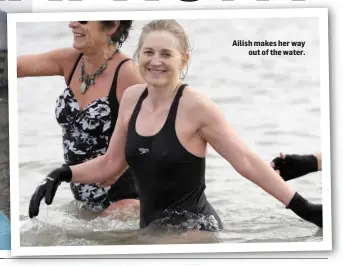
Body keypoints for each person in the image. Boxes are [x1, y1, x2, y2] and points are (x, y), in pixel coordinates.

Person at [28, 19, 322, 231]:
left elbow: (246, 162)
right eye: (149, 52)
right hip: (152, 228)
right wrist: (61, 174)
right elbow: (110, 166)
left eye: (166, 54)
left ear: (184, 60)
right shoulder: (131, 99)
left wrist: (305, 209)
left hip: (194, 228)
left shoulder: (197, 107)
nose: (156, 61)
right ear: (138, 55)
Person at [18, 21, 145, 216]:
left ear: (112, 26)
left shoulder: (129, 74)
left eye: (84, 19)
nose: (72, 24)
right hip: (83, 200)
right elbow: (14, 66)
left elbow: (158, 133)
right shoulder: (71, 60)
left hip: (125, 200)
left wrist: (119, 168)